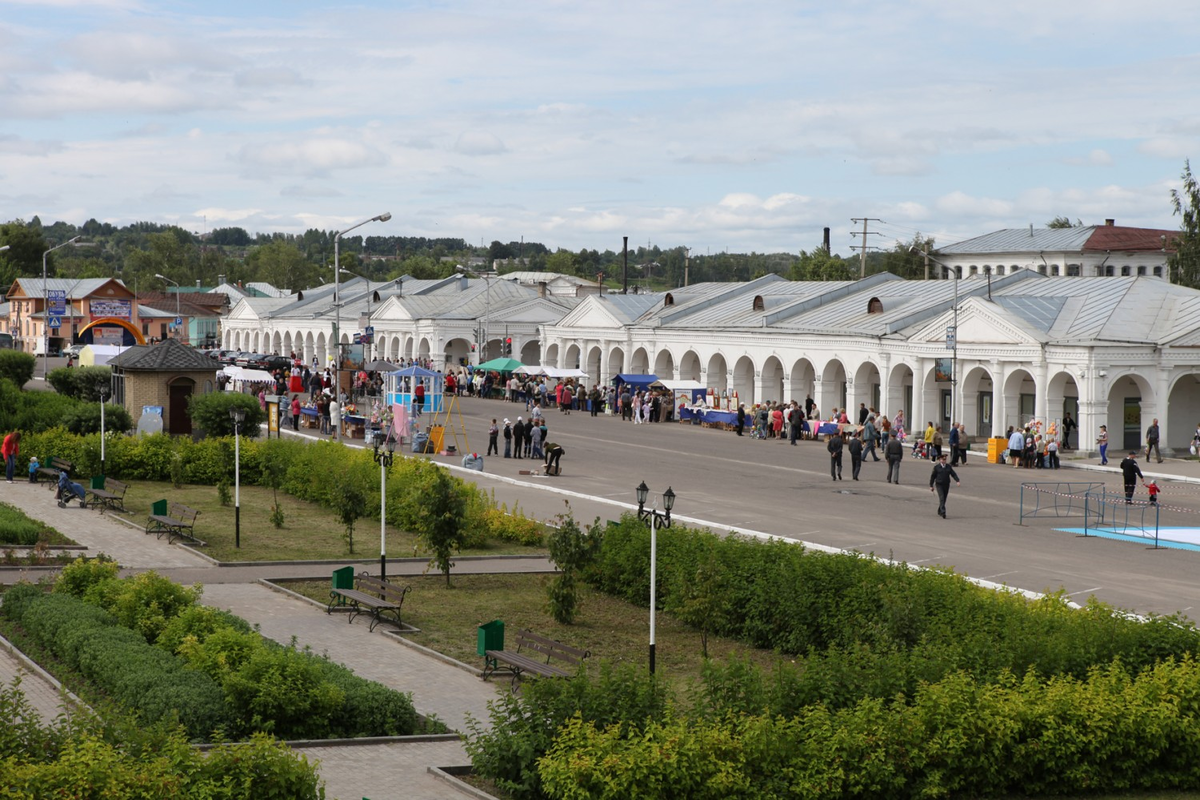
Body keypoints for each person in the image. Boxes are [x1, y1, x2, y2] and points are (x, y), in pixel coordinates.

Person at [929, 453, 961, 519]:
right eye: (942, 460)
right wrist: (931, 485)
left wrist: (957, 480)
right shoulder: (936, 467)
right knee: (942, 498)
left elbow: (953, 474)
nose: (944, 461)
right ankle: (943, 512)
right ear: (940, 460)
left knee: (944, 499)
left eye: (945, 460)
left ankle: (939, 510)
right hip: (939, 484)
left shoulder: (948, 467)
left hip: (946, 484)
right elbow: (933, 477)